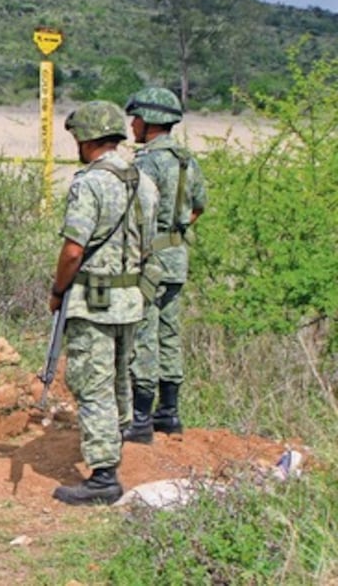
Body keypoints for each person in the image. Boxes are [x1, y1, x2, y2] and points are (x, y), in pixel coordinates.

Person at [50, 100, 158, 506]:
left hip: (94, 300)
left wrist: (58, 291)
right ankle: (116, 445)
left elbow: (73, 250)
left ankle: (103, 476)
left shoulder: (90, 183)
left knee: (92, 383)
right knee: (118, 379)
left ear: (87, 137)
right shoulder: (143, 182)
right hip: (130, 298)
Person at [121, 87, 207, 444]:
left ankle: (140, 418)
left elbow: (134, 213)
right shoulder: (188, 160)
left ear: (150, 122)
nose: (132, 124)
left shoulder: (145, 162)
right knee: (170, 333)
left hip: (150, 258)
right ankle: (169, 413)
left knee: (144, 334)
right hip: (177, 256)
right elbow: (197, 206)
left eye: (136, 118)